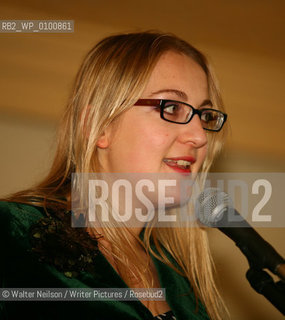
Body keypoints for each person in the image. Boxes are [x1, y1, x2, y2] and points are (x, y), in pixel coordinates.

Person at [0, 31, 228, 320]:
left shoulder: (181, 282)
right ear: (99, 126)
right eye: (171, 107)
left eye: (205, 116)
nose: (199, 136)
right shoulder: (11, 234)